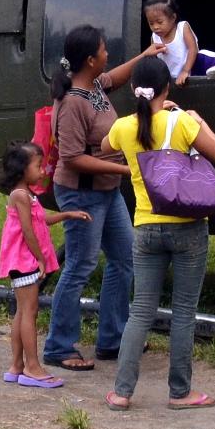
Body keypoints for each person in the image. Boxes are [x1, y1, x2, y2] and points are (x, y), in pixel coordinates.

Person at [104, 54, 215, 411]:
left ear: (132, 88)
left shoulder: (124, 127)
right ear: (167, 88)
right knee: (184, 312)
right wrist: (193, 117)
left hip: (145, 226)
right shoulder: (180, 122)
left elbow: (106, 147)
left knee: (140, 310)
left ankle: (122, 392)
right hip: (188, 228)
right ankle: (180, 392)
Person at [42, 24, 146, 374]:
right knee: (80, 266)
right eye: (103, 50)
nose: (107, 55)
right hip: (81, 194)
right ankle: (58, 345)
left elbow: (114, 76)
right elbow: (71, 157)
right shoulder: (72, 102)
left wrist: (146, 56)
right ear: (89, 59)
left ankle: (112, 338)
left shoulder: (95, 87)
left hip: (105, 191)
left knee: (124, 257)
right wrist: (125, 170)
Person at [0, 140, 90, 389]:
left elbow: (40, 221)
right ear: (22, 169)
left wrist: (67, 214)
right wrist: (39, 258)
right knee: (30, 312)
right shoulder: (20, 195)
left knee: (22, 311)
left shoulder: (27, 194)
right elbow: (28, 230)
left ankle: (16, 365)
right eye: (38, 166)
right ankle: (32, 367)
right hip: (25, 259)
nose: (42, 170)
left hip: (24, 259)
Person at [140, 0, 215, 86]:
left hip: (192, 68)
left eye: (160, 22)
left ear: (173, 18)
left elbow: (193, 49)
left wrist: (185, 70)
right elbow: (156, 60)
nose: (155, 27)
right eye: (151, 23)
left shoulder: (182, 28)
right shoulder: (154, 37)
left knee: (201, 54)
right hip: (173, 76)